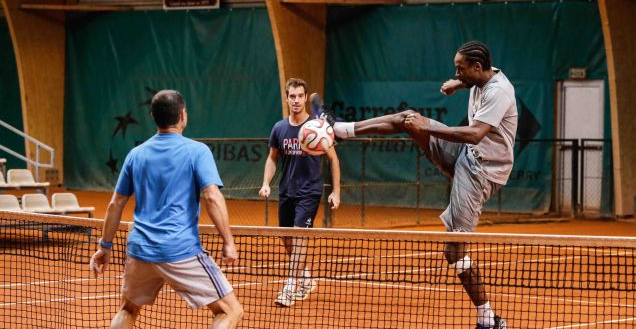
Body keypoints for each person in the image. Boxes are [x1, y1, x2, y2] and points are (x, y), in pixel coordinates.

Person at [323, 41, 515, 329]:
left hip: (482, 173)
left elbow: (475, 134)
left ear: (476, 67)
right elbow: (475, 83)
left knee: (454, 252)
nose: (457, 72)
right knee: (409, 118)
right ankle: (341, 129)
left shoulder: (499, 91)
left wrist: (431, 128)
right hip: (465, 156)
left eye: (460, 69)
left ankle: (488, 319)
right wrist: (457, 84)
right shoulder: (482, 76)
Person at [89, 90, 243, 329]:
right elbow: (212, 197)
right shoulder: (198, 151)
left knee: (128, 309)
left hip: (140, 250)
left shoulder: (135, 154)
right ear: (183, 115)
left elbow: (115, 204)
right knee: (230, 311)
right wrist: (229, 241)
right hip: (180, 250)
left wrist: (105, 246)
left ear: (153, 116)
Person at [259, 78, 341, 307]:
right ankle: (305, 277)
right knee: (287, 239)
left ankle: (290, 285)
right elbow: (272, 159)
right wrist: (266, 182)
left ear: (305, 98)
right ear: (286, 98)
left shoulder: (318, 128)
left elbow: (333, 160)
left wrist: (336, 191)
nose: (296, 100)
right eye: (291, 96)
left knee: (299, 236)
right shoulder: (279, 128)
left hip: (310, 192)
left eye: (299, 96)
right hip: (287, 191)